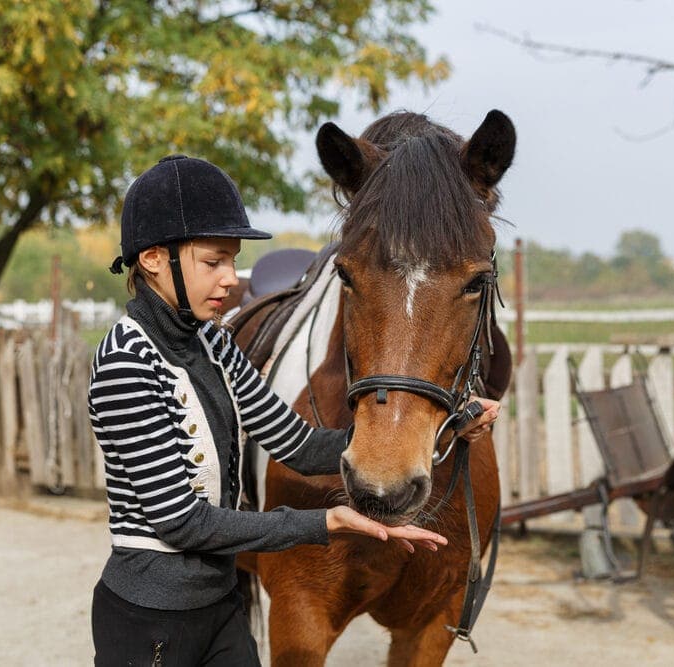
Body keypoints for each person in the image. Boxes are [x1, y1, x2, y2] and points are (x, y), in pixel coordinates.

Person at [87, 155, 499, 666]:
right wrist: (324, 524)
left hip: (219, 610)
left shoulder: (215, 346)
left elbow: (297, 444)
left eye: (232, 263)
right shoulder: (126, 363)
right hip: (149, 617)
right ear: (153, 259)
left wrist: (441, 429)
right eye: (213, 263)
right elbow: (182, 522)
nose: (229, 282)